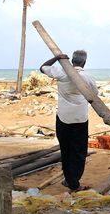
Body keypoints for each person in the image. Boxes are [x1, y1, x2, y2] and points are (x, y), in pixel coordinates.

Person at [40, 50, 98, 192]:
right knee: (79, 152)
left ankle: (69, 180)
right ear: (84, 62)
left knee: (65, 150)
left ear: (72, 61)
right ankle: (74, 183)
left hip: (63, 118)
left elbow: (43, 68)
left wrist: (56, 57)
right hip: (80, 119)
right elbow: (94, 94)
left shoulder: (61, 73)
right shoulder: (88, 77)